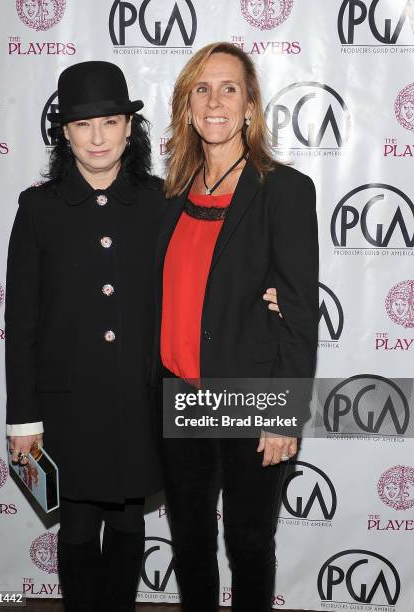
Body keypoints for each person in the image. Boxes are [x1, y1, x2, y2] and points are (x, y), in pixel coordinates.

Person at [153, 42, 319, 611]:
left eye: (229, 88)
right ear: (188, 105)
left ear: (250, 105)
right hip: (179, 393)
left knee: (248, 542)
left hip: (250, 394)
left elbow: (298, 311)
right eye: (202, 88)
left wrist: (284, 415)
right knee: (190, 541)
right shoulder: (170, 193)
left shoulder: (284, 191)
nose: (215, 100)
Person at [5, 61, 166, 612]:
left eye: (110, 121)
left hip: (137, 402)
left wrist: (266, 294)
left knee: (126, 523)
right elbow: (21, 322)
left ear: (129, 126)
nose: (97, 137)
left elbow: (200, 286)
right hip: (66, 409)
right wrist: (24, 420)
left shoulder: (160, 203)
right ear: (65, 132)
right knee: (74, 530)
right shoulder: (37, 209)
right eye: (82, 124)